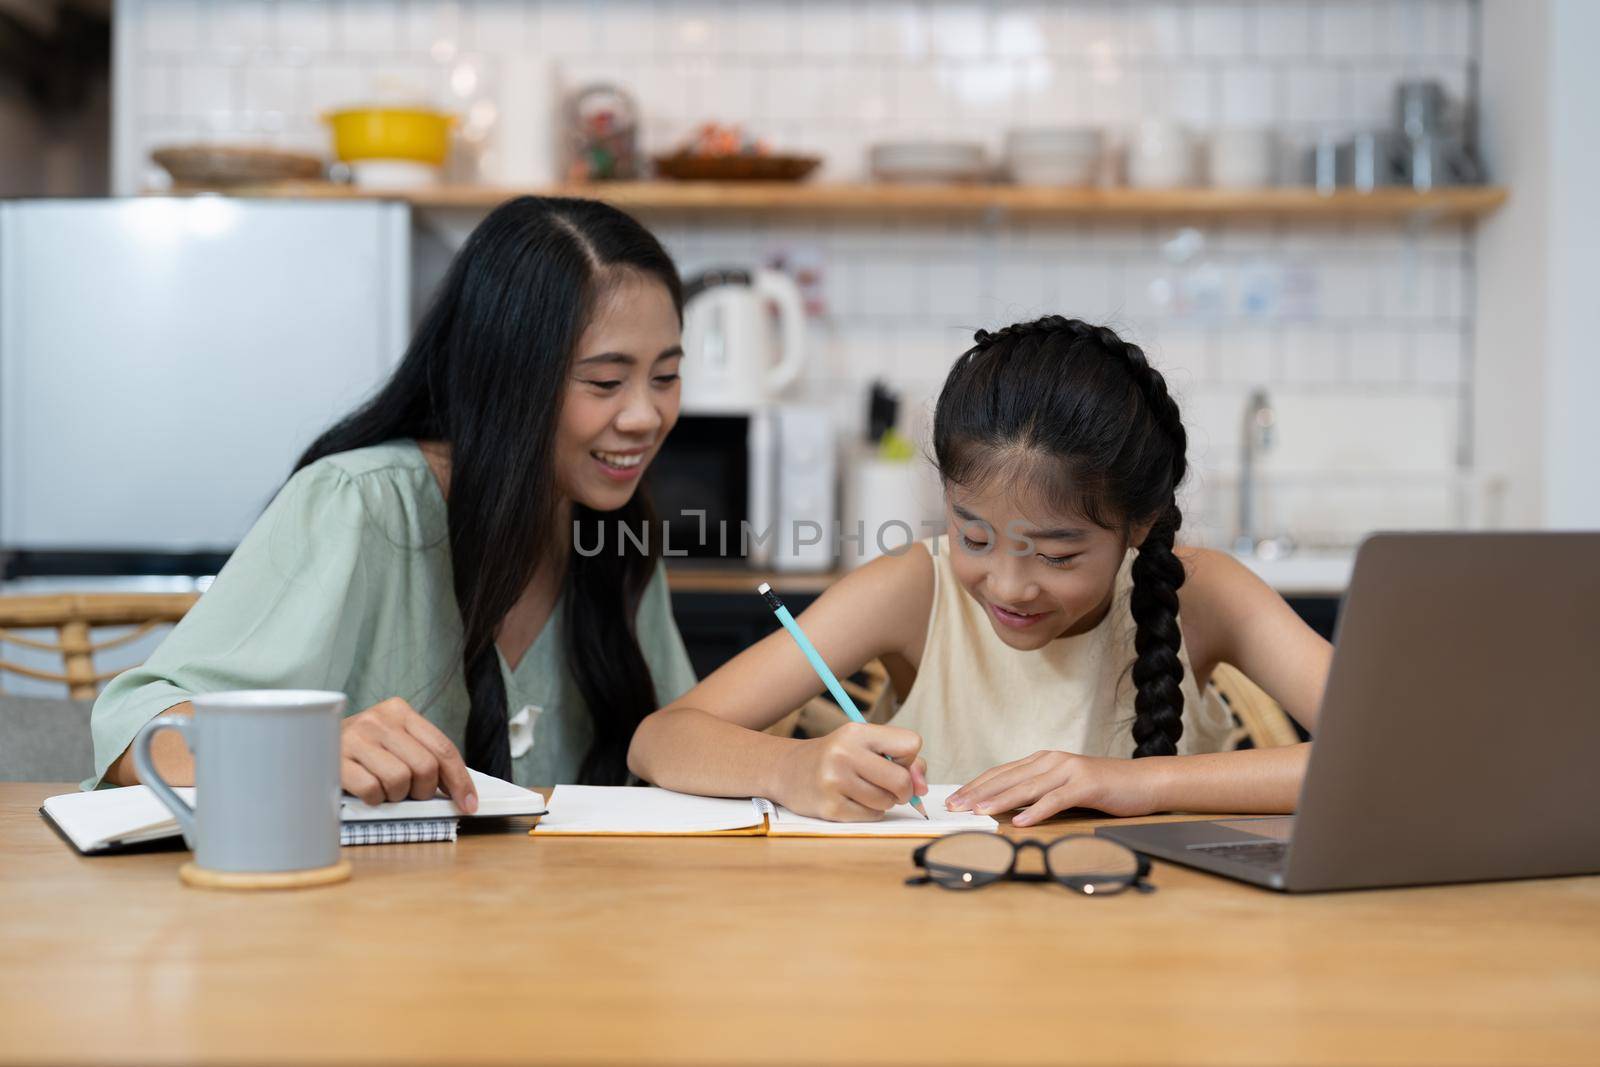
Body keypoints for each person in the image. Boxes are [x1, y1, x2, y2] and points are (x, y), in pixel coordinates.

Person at [90, 197, 697, 807]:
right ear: (507, 376)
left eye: (666, 377)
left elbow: (682, 740)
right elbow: (136, 725)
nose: (646, 416)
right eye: (605, 382)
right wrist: (304, 749)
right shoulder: (358, 503)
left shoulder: (617, 533)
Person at [628, 315, 1331, 825]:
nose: (1009, 584)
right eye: (973, 534)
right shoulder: (913, 588)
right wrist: (793, 768)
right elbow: (661, 740)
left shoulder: (1204, 592)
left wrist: (1140, 782)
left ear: (1138, 525)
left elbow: (1398, 760)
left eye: (1057, 555)